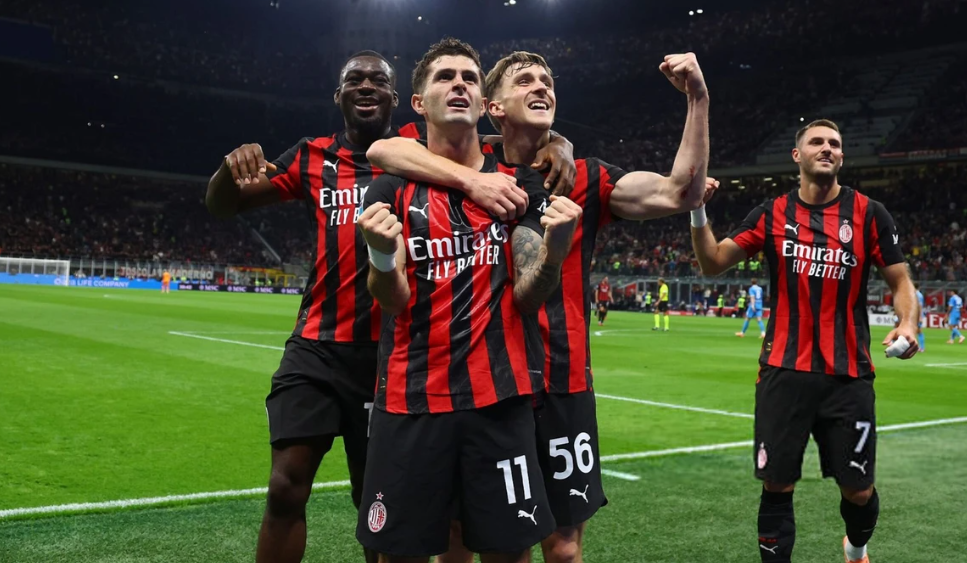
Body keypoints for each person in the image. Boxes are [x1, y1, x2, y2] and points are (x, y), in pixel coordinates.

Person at [368, 49, 709, 563]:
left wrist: (698, 99)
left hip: (559, 377)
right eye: (525, 80)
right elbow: (385, 151)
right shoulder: (473, 166)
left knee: (562, 548)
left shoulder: (584, 177)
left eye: (547, 80)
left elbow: (681, 192)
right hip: (486, 383)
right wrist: (478, 177)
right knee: (463, 536)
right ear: (494, 108)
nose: (542, 87)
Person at [204, 50, 535, 563]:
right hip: (317, 345)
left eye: (378, 80)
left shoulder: (416, 149)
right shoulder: (312, 157)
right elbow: (223, 204)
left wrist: (558, 144)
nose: (365, 86)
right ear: (337, 95)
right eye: (354, 80)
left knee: (375, 504)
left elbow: (493, 142)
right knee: (285, 485)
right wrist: (230, 170)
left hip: (390, 356)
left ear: (400, 99)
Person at [355, 37, 582, 563]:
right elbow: (393, 299)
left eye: (470, 78)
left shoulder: (520, 186)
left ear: (484, 103)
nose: (459, 84)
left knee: (510, 552)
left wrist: (554, 254)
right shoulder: (390, 189)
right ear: (418, 103)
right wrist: (383, 257)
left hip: (499, 402)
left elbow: (528, 296)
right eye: (445, 77)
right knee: (399, 555)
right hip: (410, 399)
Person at [689, 118, 919, 563]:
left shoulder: (870, 213)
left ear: (842, 156)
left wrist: (908, 323)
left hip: (848, 375)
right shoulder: (771, 213)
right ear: (797, 155)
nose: (827, 148)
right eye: (817, 141)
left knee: (858, 490)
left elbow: (901, 281)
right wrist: (697, 210)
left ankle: (855, 548)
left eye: (835, 142)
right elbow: (713, 262)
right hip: (783, 371)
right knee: (777, 485)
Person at [915, 286, 926, 352]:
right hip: (915, 315)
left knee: (919, 331)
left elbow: (920, 306)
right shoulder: (916, 294)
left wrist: (920, 317)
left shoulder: (918, 295)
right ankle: (919, 347)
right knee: (916, 331)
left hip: (917, 316)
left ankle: (922, 347)